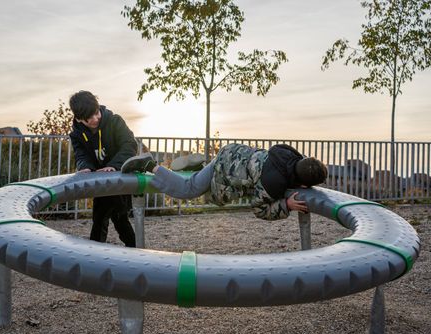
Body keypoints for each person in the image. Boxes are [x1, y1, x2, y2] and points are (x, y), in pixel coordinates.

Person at [121, 143, 327, 220]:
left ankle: (196, 166)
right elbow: (260, 209)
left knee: (200, 179)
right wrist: (286, 205)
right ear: (303, 185)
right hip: (225, 172)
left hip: (231, 153)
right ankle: (150, 166)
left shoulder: (288, 154)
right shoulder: (273, 184)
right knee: (188, 189)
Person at [69, 90, 137, 246]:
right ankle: (95, 254)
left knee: (120, 218)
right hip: (100, 182)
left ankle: (135, 250)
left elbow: (130, 145)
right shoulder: (76, 135)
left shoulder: (115, 121)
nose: (95, 119)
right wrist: (85, 167)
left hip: (119, 178)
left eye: (96, 113)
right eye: (89, 118)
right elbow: (81, 156)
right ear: (79, 119)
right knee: (99, 219)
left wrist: (113, 166)